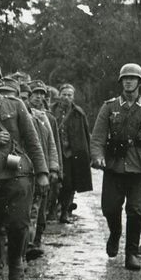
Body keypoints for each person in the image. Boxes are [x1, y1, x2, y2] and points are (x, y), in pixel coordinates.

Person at [0, 62, 47, 280]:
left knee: (18, 222)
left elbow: (32, 140)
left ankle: (16, 259)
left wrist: (43, 171)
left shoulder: (15, 106)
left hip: (17, 173)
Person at [89, 63, 141, 271]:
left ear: (140, 83)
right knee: (110, 208)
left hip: (139, 166)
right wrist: (98, 157)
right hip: (114, 166)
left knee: (136, 211)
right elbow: (97, 137)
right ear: (121, 82)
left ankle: (131, 254)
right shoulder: (109, 107)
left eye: (133, 78)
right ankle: (115, 234)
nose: (128, 81)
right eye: (125, 78)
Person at [25, 81, 61, 260]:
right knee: (30, 208)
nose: (38, 97)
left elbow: (52, 145)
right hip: (26, 168)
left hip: (43, 167)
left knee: (39, 207)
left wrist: (53, 167)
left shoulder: (46, 118)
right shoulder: (22, 114)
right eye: (34, 93)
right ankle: (28, 243)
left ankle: (35, 240)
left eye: (41, 94)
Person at [52, 83, 92, 224]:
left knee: (69, 184)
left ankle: (64, 212)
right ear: (59, 95)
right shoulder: (51, 111)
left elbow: (85, 134)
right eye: (64, 94)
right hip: (55, 153)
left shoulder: (78, 113)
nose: (66, 98)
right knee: (55, 183)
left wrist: (89, 153)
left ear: (73, 97)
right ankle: (53, 209)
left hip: (70, 154)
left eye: (70, 95)